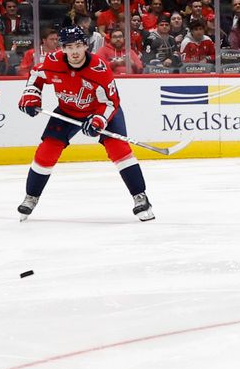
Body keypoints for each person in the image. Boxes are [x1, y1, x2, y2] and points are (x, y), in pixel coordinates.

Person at [17, 26, 154, 222]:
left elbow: (111, 102)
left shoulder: (99, 68)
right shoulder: (53, 61)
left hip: (101, 111)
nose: (74, 51)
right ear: (62, 48)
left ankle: (140, 197)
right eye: (69, 46)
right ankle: (31, 196)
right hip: (67, 110)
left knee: (119, 149)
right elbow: (36, 75)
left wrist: (98, 120)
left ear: (86, 46)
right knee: (47, 149)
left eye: (78, 46)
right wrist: (31, 94)